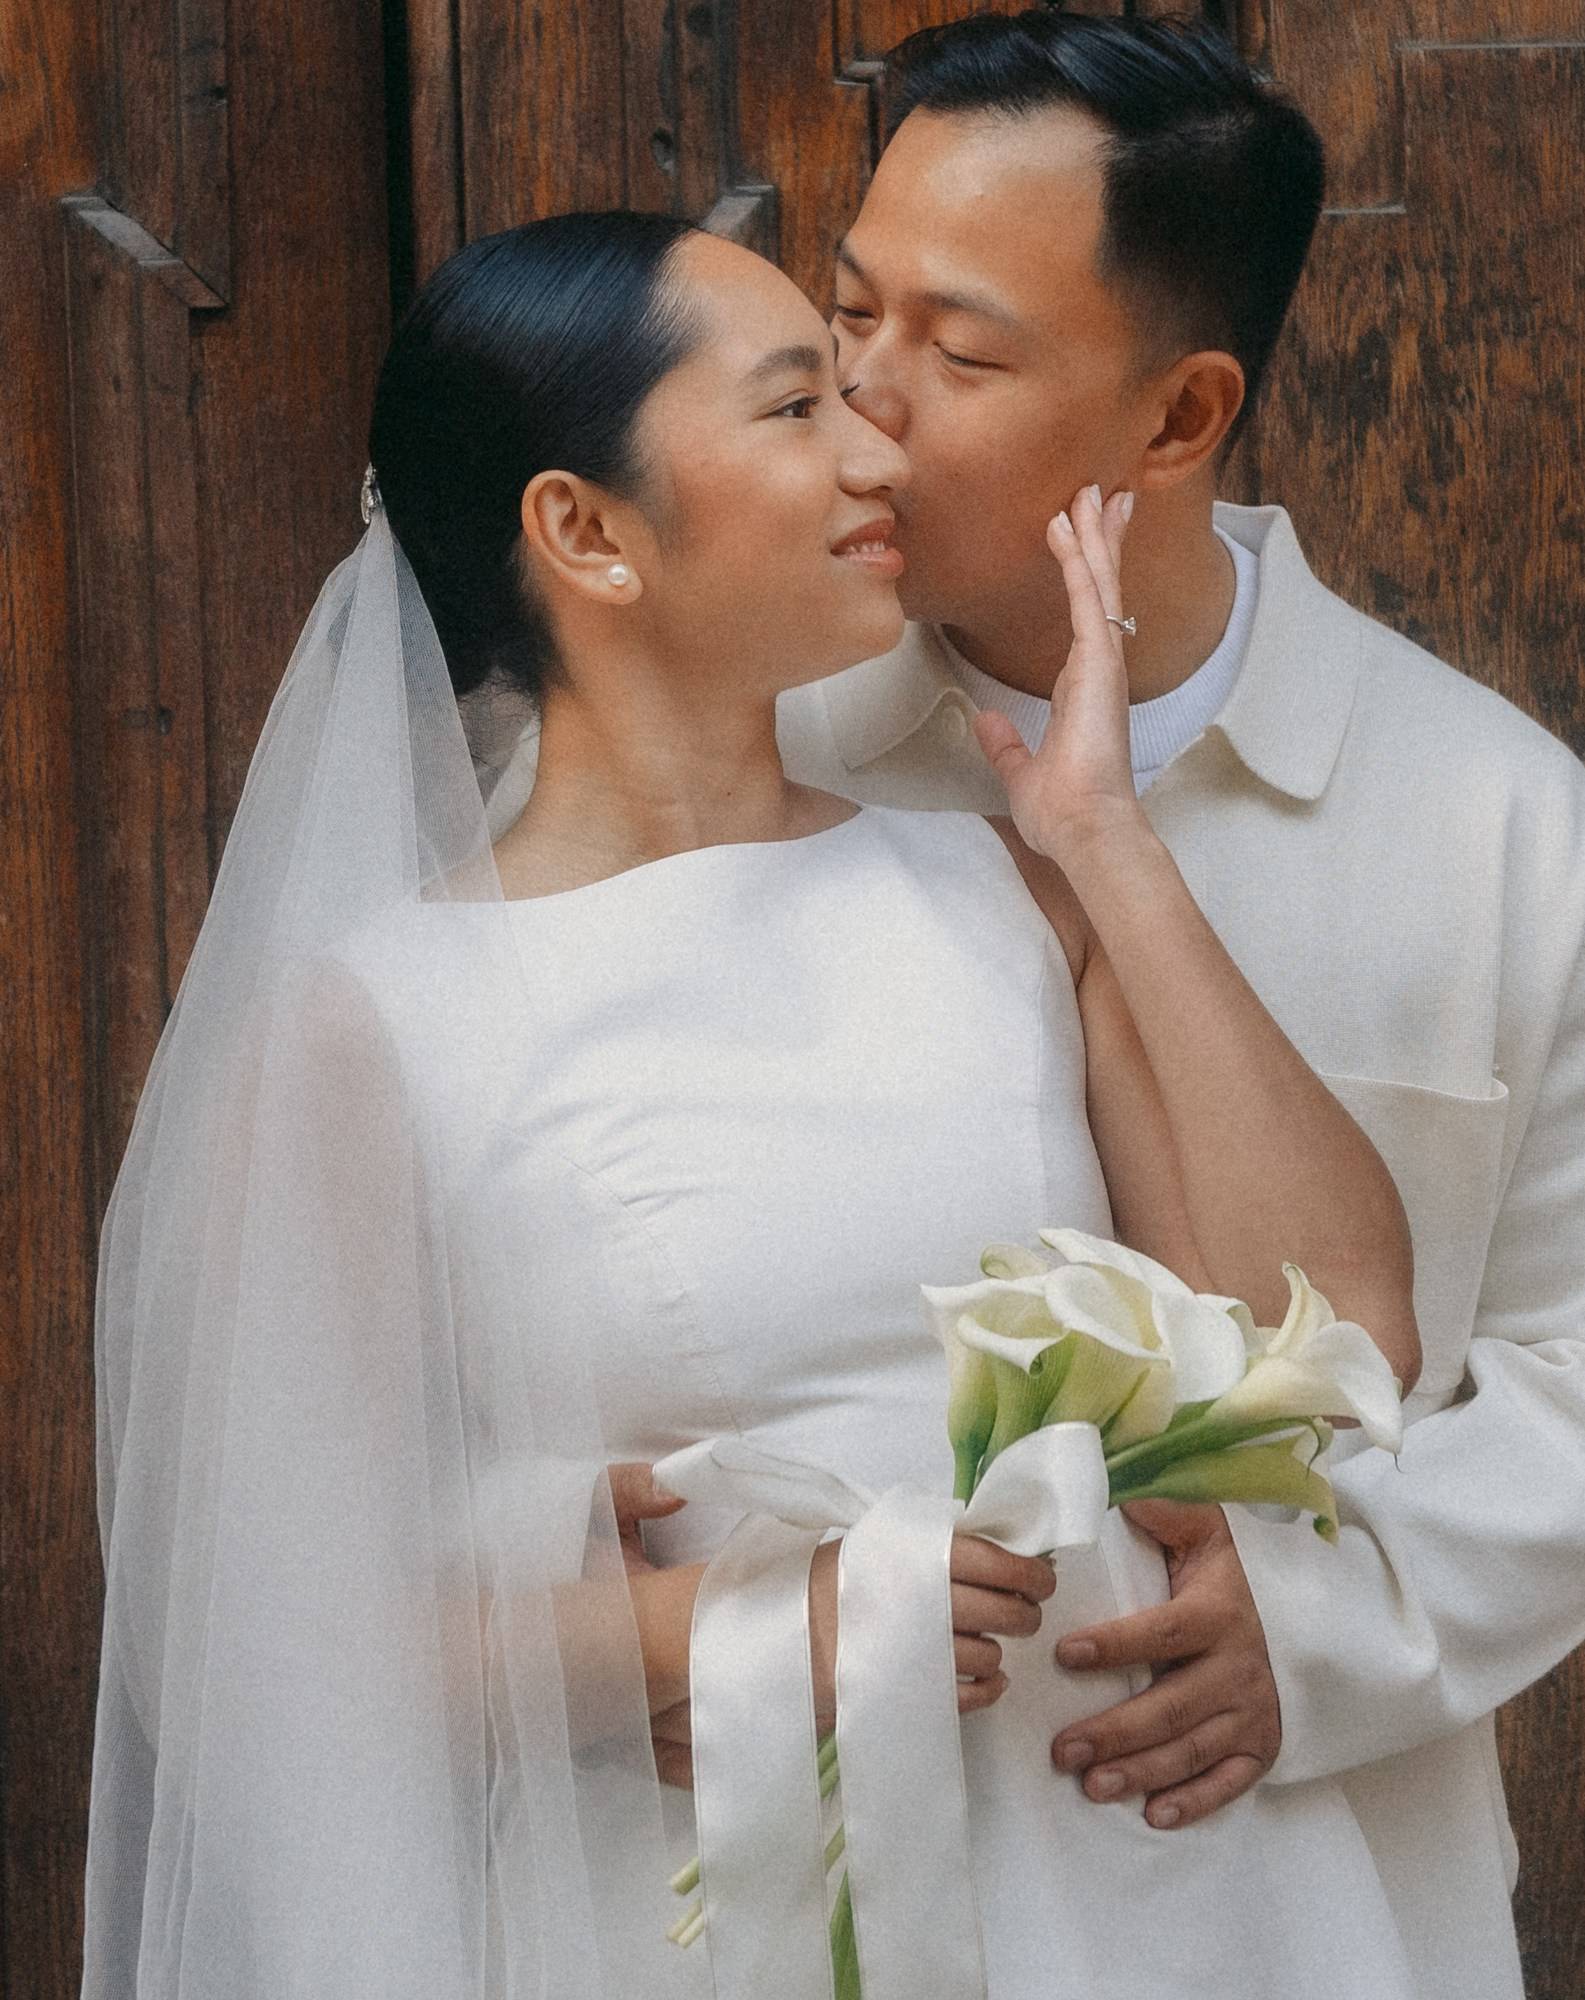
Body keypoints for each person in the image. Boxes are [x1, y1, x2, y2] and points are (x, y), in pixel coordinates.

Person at [84, 211, 1422, 1999]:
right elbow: (261, 1649)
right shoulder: (376, 1030)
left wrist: (1107, 845)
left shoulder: (999, 893)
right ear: (585, 532)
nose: (881, 452)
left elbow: (1338, 1337)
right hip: (728, 1900)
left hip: (1151, 1877)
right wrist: (715, 1618)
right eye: (798, 408)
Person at [742, 13, 1585, 1998]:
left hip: (1299, 1882)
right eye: (844, 316)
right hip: (808, 1872)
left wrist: (1340, 1610)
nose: (864, 409)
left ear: (1180, 416)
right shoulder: (734, 751)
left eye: (953, 353)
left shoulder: (1499, 828)